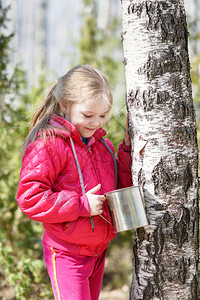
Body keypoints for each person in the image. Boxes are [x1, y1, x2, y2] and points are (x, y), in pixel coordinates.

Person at [16, 64, 132, 300]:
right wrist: (81, 204)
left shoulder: (103, 147)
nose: (96, 123)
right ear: (66, 106)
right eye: (88, 115)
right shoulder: (49, 144)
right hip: (66, 252)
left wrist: (128, 150)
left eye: (102, 115)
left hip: (98, 250)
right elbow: (30, 198)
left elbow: (120, 184)